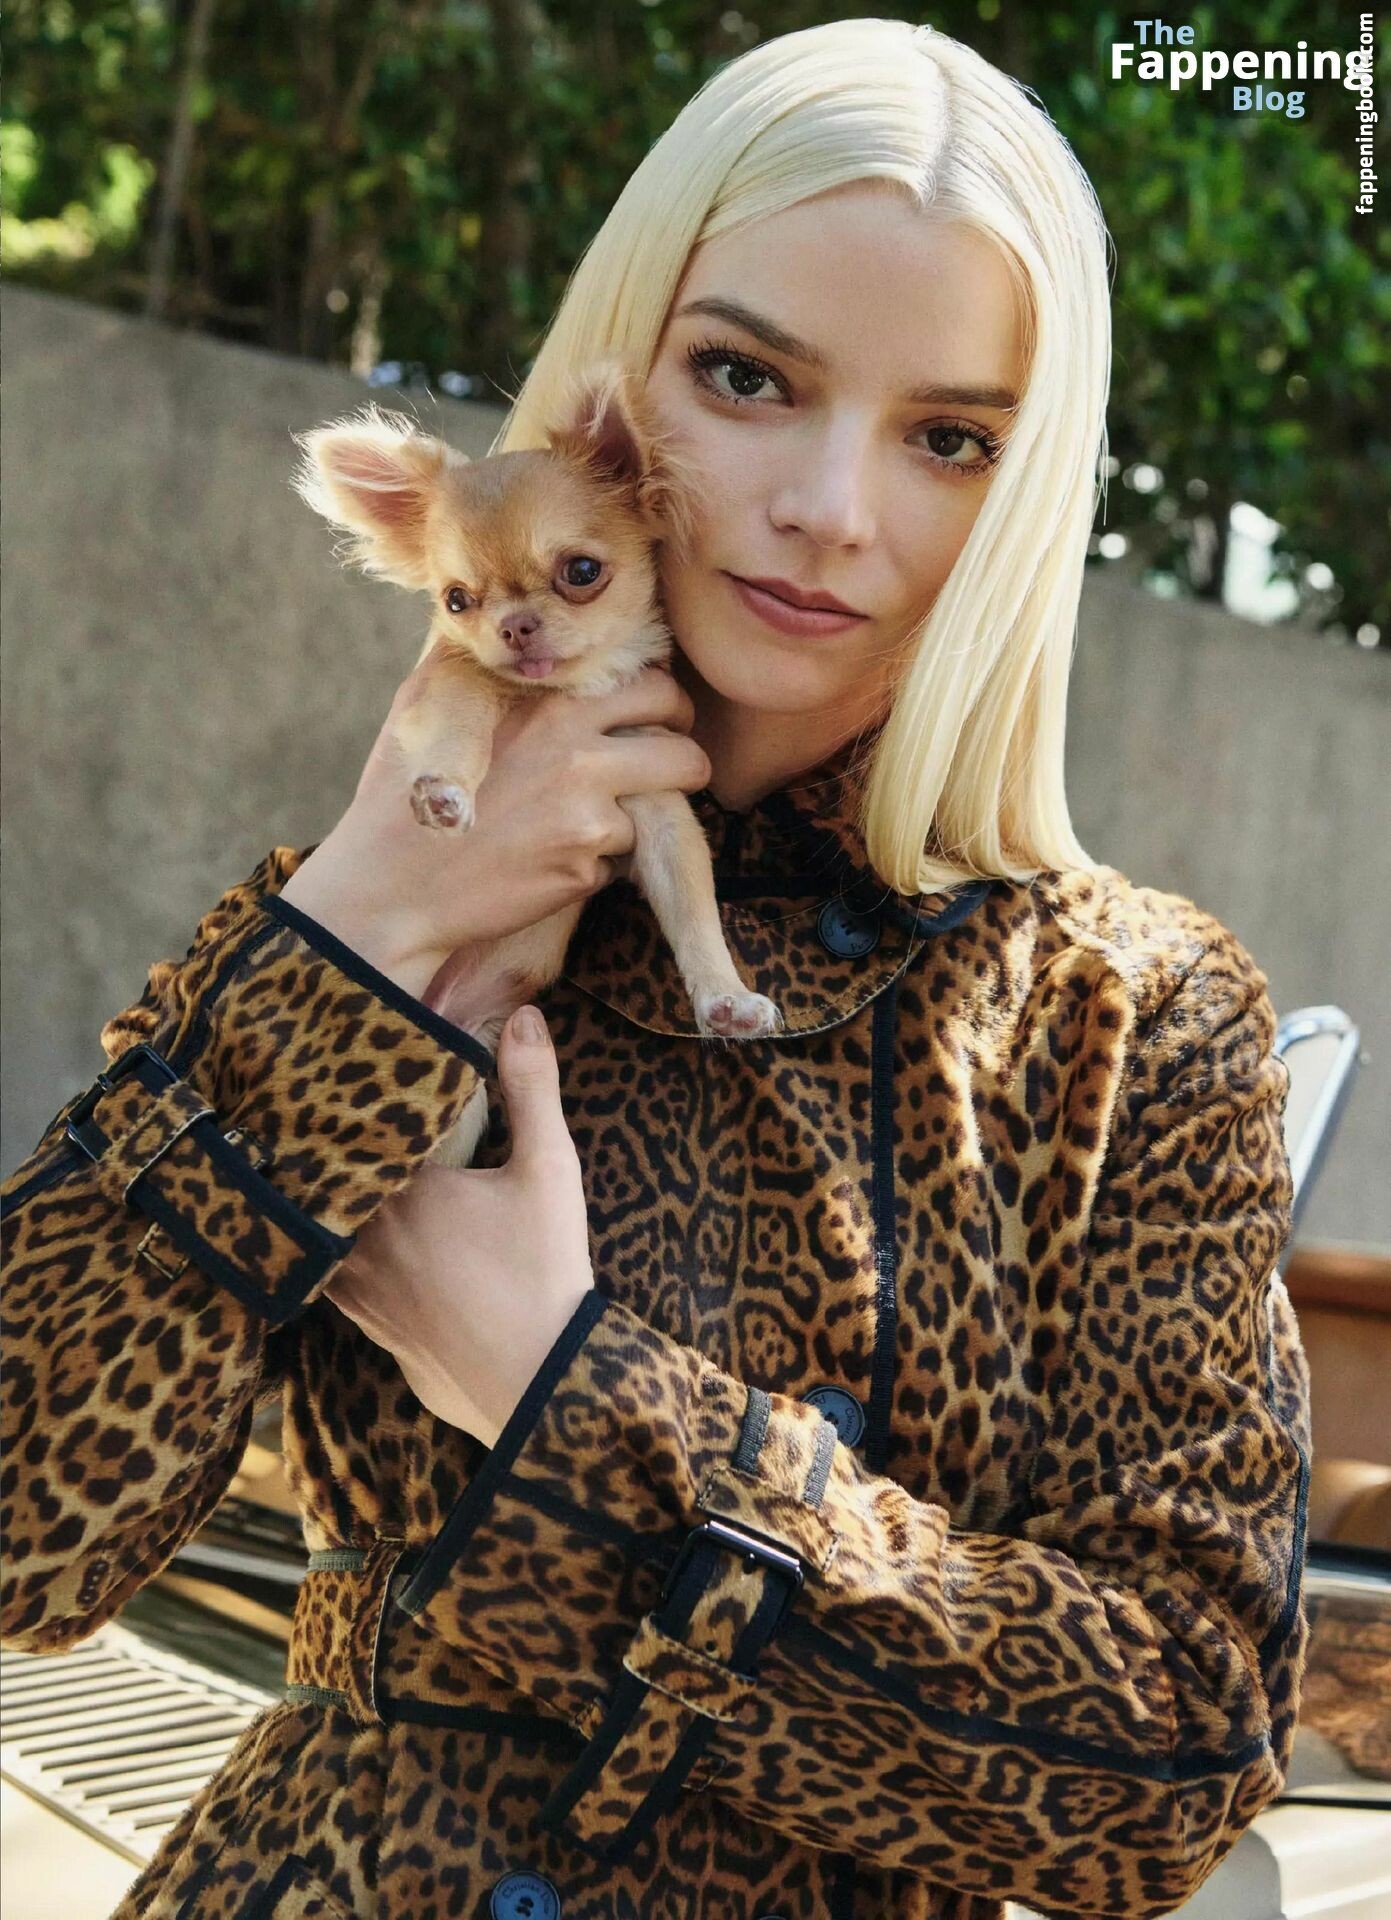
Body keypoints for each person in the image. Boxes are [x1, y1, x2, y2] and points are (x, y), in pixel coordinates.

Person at [1, 19, 1311, 1920]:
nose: (832, 507)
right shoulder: (377, 903)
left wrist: (565, 1401)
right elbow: (18, 1539)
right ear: (620, 396)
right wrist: (359, 930)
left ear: (1027, 497)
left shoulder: (1132, 1012)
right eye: (747, 377)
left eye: (951, 437)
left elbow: (1174, 1764)